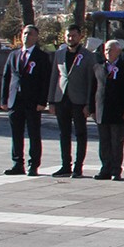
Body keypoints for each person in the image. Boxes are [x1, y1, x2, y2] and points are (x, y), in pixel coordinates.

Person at [0, 24, 52, 176]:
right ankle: (17, 163)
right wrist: (4, 99)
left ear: (36, 37)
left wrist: (43, 101)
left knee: (34, 133)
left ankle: (33, 164)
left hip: (33, 101)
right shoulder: (13, 55)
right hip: (16, 100)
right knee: (16, 133)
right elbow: (6, 77)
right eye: (24, 33)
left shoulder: (42, 57)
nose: (26, 36)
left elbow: (45, 80)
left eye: (30, 34)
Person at [46, 24, 95, 177]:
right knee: (64, 133)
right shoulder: (59, 54)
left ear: (80, 37)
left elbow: (90, 81)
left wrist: (89, 104)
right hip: (62, 98)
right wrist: (51, 101)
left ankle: (78, 166)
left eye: (73, 35)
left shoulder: (87, 56)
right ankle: (65, 165)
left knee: (80, 133)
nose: (70, 38)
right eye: (68, 35)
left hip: (79, 100)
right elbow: (55, 77)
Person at [91, 40, 124, 181]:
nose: (108, 52)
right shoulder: (98, 67)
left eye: (111, 49)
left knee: (116, 141)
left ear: (118, 51)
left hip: (118, 111)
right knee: (104, 142)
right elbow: (93, 89)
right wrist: (91, 108)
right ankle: (105, 168)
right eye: (106, 50)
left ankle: (116, 169)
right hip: (102, 110)